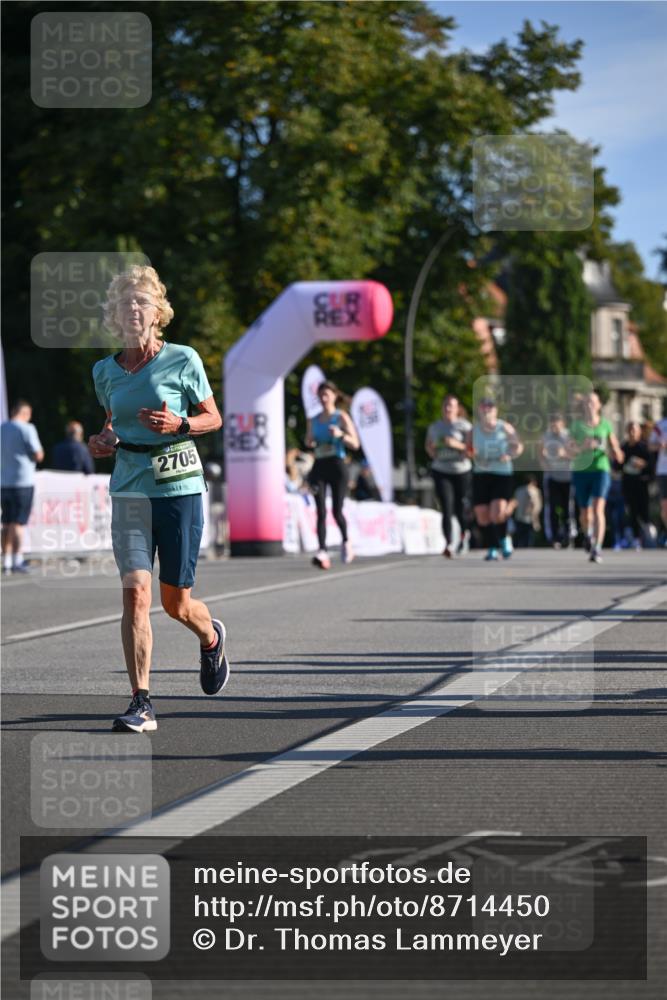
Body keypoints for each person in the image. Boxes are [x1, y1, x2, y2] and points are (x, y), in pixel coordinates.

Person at [88, 265, 228, 733]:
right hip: (129, 486)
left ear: (157, 312)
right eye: (125, 302)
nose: (133, 308)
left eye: (141, 301)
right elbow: (113, 421)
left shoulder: (183, 359)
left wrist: (181, 424)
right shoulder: (104, 371)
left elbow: (213, 418)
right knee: (135, 593)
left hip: (177, 487)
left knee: (175, 604)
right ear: (115, 314)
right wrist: (104, 440)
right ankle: (141, 701)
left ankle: (210, 637)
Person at [306, 380, 360, 569]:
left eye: (327, 394)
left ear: (334, 396)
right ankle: (322, 551)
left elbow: (355, 444)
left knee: (337, 510)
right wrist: (311, 441)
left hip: (337, 465)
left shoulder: (341, 417)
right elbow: (308, 441)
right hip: (319, 465)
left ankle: (346, 542)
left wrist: (340, 435)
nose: (323, 398)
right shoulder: (313, 419)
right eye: (320, 395)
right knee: (320, 510)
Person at [568, 391, 624, 564]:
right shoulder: (576, 426)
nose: (590, 405)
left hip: (601, 470)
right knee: (585, 513)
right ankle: (588, 534)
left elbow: (617, 452)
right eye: (587, 402)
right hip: (581, 471)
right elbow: (569, 451)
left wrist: (615, 453)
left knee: (598, 508)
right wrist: (583, 447)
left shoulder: (605, 424)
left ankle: (597, 547)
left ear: (599, 405)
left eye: (593, 402)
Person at [469, 397, 523, 561]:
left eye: (490, 407)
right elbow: (467, 449)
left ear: (496, 410)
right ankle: (493, 546)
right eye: (484, 407)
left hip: (501, 473)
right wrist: (474, 455)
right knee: (482, 515)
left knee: (497, 512)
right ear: (479, 410)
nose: (487, 410)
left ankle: (503, 540)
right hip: (481, 473)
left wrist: (509, 454)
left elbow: (518, 446)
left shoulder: (504, 427)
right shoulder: (474, 430)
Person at [425, 394, 472, 557]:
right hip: (441, 470)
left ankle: (464, 535)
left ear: (457, 408)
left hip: (461, 471)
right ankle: (449, 543)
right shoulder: (434, 427)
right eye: (445, 405)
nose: (448, 408)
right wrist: (432, 450)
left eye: (451, 405)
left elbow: (472, 451)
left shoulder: (465, 426)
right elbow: (428, 447)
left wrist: (456, 444)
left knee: (460, 507)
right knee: (446, 506)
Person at [1, 399, 44, 574]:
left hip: (4, 481)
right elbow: (38, 454)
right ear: (25, 413)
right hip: (23, 481)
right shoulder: (27, 428)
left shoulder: (2, 428)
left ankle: (6, 560)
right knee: (18, 522)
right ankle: (17, 559)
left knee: (6, 522)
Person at [541, 413, 572, 548]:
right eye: (552, 423)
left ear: (562, 424)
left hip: (568, 477)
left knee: (567, 508)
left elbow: (577, 454)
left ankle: (568, 536)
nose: (554, 426)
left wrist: (564, 454)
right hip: (552, 477)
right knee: (552, 508)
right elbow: (540, 453)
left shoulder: (568, 436)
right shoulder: (546, 436)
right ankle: (554, 537)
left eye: (556, 423)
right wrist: (545, 464)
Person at [619, 421, 652, 549]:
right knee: (632, 512)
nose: (632, 433)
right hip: (628, 484)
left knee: (644, 512)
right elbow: (618, 466)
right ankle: (636, 539)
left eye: (635, 430)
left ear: (639, 432)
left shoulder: (644, 447)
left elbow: (651, 466)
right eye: (630, 430)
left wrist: (642, 464)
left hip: (641, 484)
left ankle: (650, 538)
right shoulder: (624, 447)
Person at [648, 414, 667, 544]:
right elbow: (650, 445)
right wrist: (659, 445)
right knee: (665, 506)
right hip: (663, 471)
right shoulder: (661, 425)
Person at [511, 476, 543, 548]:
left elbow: (514, 503)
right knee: (528, 539)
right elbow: (535, 504)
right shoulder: (535, 491)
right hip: (530, 517)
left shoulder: (518, 490)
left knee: (519, 537)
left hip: (519, 517)